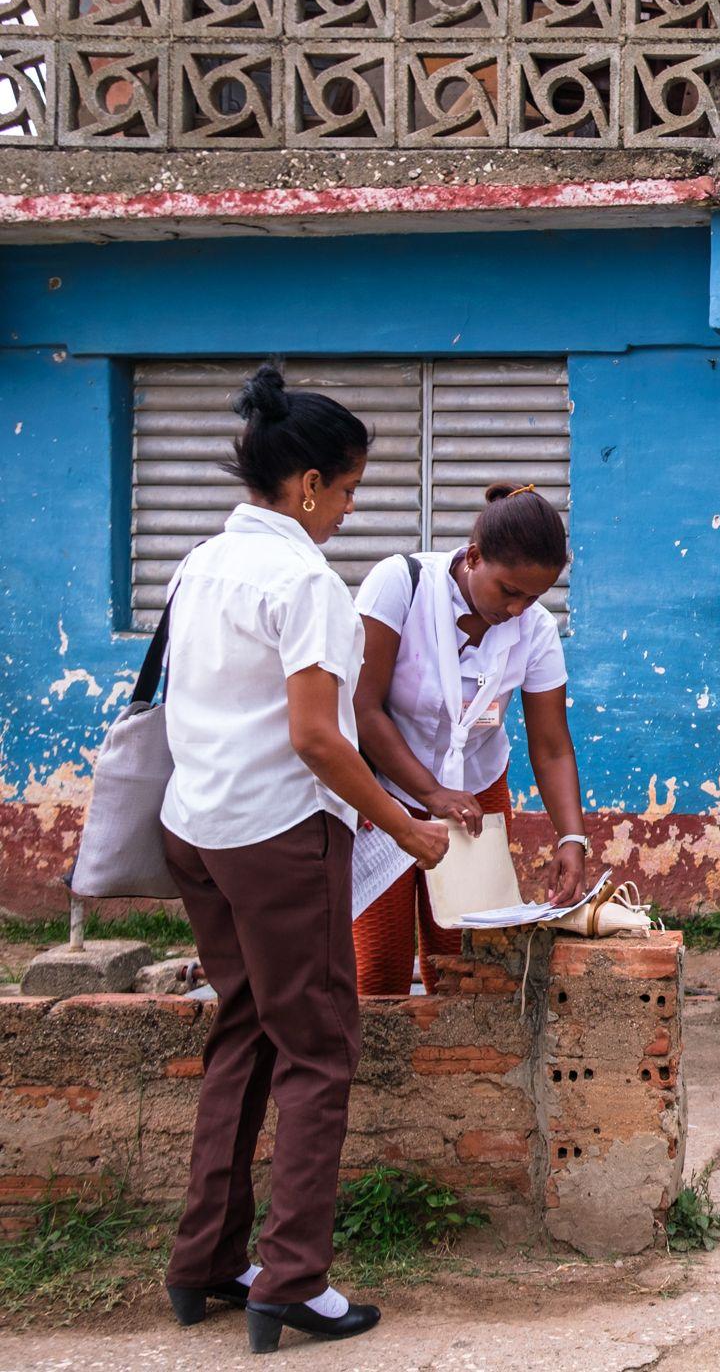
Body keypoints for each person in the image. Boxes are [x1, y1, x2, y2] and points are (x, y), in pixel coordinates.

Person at [158, 364, 449, 1350]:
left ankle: (206, 1259)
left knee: (242, 1031)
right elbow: (319, 737)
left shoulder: (201, 562)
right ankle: (295, 1279)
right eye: (353, 486)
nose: (351, 507)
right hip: (277, 838)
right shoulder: (303, 582)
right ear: (311, 484)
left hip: (196, 825)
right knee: (319, 1047)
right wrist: (405, 825)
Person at [349, 481, 587, 995]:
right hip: (384, 793)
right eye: (509, 591)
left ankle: (457, 1073)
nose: (518, 609)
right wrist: (431, 795)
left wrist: (572, 836)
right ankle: (380, 1074)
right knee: (379, 971)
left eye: (535, 597)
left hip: (475, 795)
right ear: (473, 558)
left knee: (466, 965)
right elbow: (363, 709)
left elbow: (551, 746)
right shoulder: (401, 584)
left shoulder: (536, 629)